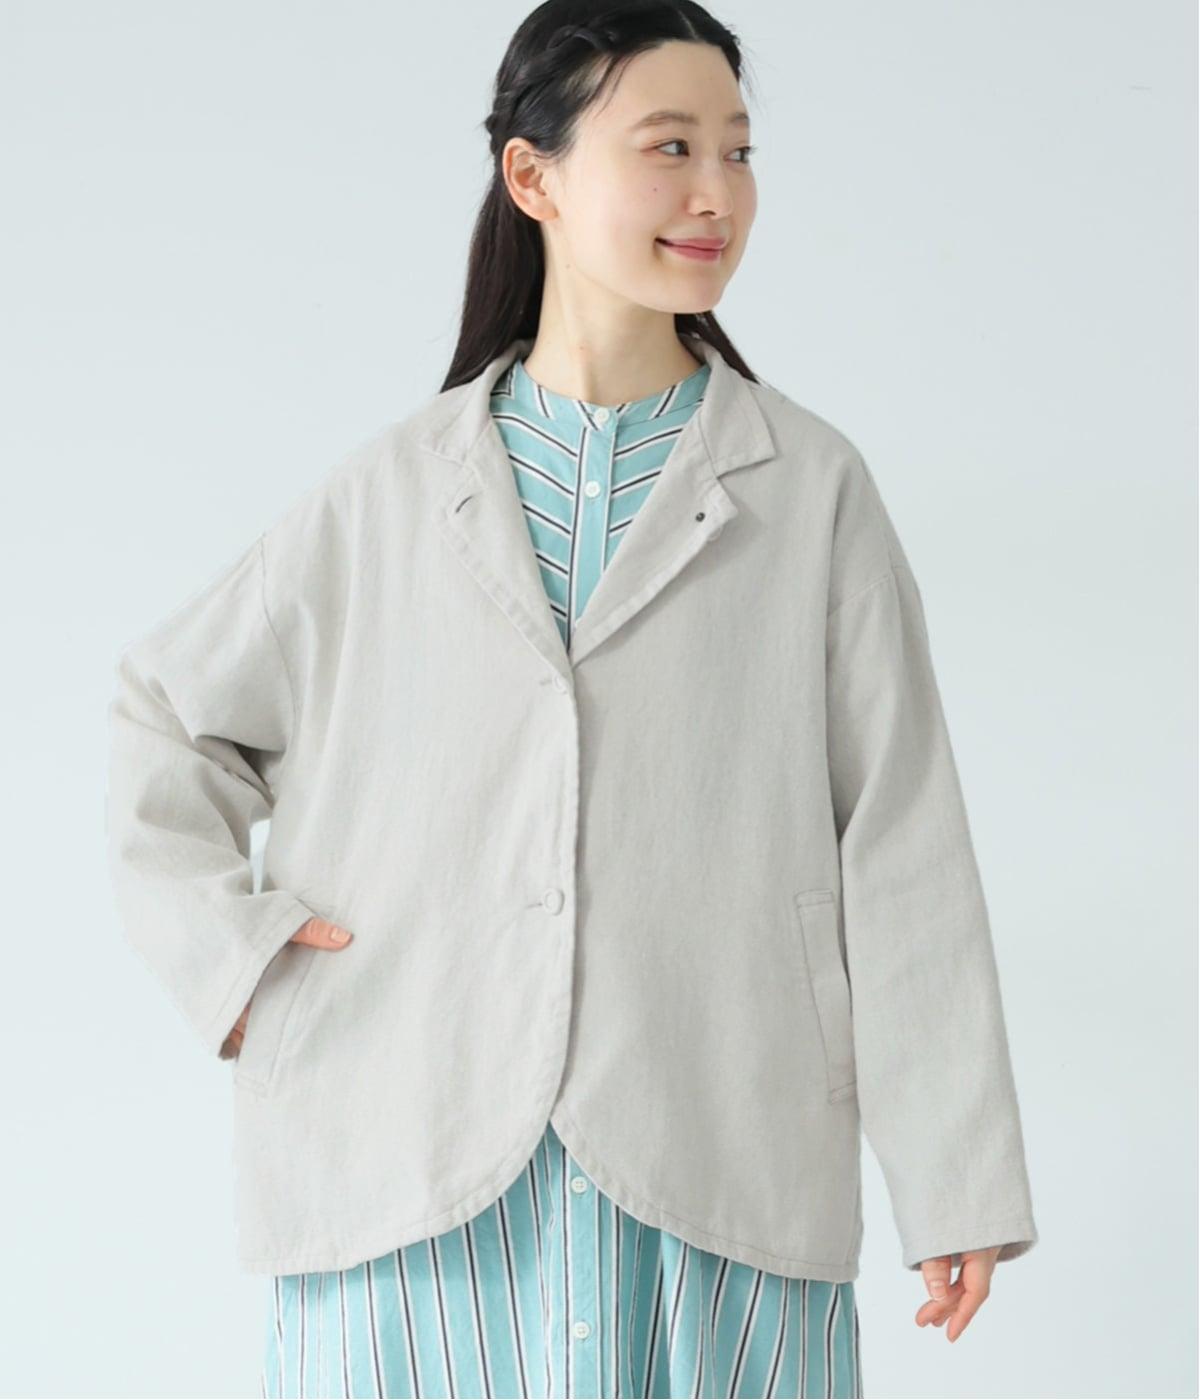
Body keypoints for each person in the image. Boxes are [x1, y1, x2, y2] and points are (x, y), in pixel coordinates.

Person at [106, 3, 1038, 1397]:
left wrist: (952, 1173)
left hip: (717, 1149)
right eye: (670, 147)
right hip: (409, 1171)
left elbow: (902, 841)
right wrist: (237, 966)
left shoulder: (811, 492)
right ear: (533, 177)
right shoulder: (388, 495)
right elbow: (163, 718)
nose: (716, 192)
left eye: (738, 151)